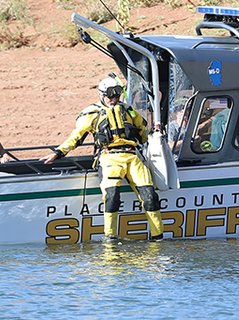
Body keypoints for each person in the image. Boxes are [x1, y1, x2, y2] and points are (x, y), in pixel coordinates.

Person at [40, 77, 165, 242]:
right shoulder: (91, 113)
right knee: (112, 196)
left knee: (150, 196)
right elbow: (76, 138)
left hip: (132, 156)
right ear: (101, 95)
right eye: (110, 95)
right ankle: (110, 238)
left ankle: (158, 239)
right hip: (108, 158)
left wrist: (155, 131)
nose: (114, 99)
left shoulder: (129, 111)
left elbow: (143, 134)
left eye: (117, 95)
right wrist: (57, 153)